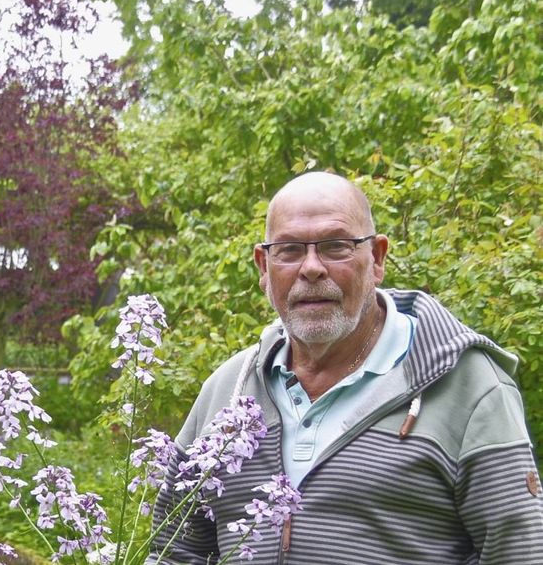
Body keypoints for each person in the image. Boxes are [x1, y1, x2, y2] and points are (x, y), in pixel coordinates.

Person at [151, 172, 543, 564]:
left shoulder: (469, 387)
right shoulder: (229, 390)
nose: (311, 268)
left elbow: (520, 553)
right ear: (263, 267)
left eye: (336, 246)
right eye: (288, 250)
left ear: (377, 258)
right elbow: (174, 551)